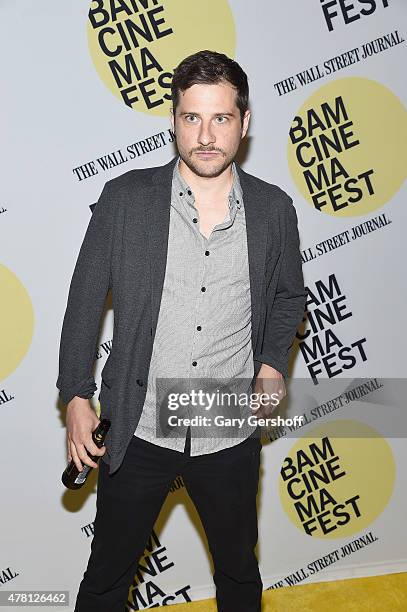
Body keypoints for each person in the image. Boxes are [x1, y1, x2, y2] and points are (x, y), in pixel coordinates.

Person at [57, 49, 307, 612]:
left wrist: (270, 364)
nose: (206, 135)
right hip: (138, 426)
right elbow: (83, 302)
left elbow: (290, 294)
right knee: (105, 580)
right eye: (191, 117)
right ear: (173, 121)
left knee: (239, 573)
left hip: (225, 424)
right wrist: (75, 393)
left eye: (220, 118)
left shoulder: (274, 211)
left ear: (244, 123)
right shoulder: (125, 200)